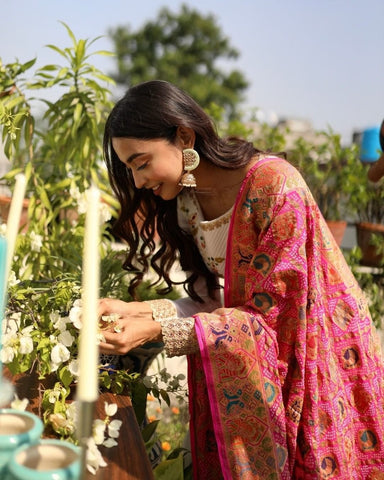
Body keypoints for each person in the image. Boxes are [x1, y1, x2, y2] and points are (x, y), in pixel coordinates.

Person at [99, 80, 384, 479]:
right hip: (272, 344)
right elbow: (209, 301)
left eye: (142, 163)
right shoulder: (186, 203)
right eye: (130, 169)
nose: (138, 182)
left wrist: (156, 331)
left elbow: (274, 322)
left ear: (184, 136)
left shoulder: (275, 187)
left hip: (319, 350)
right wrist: (139, 310)